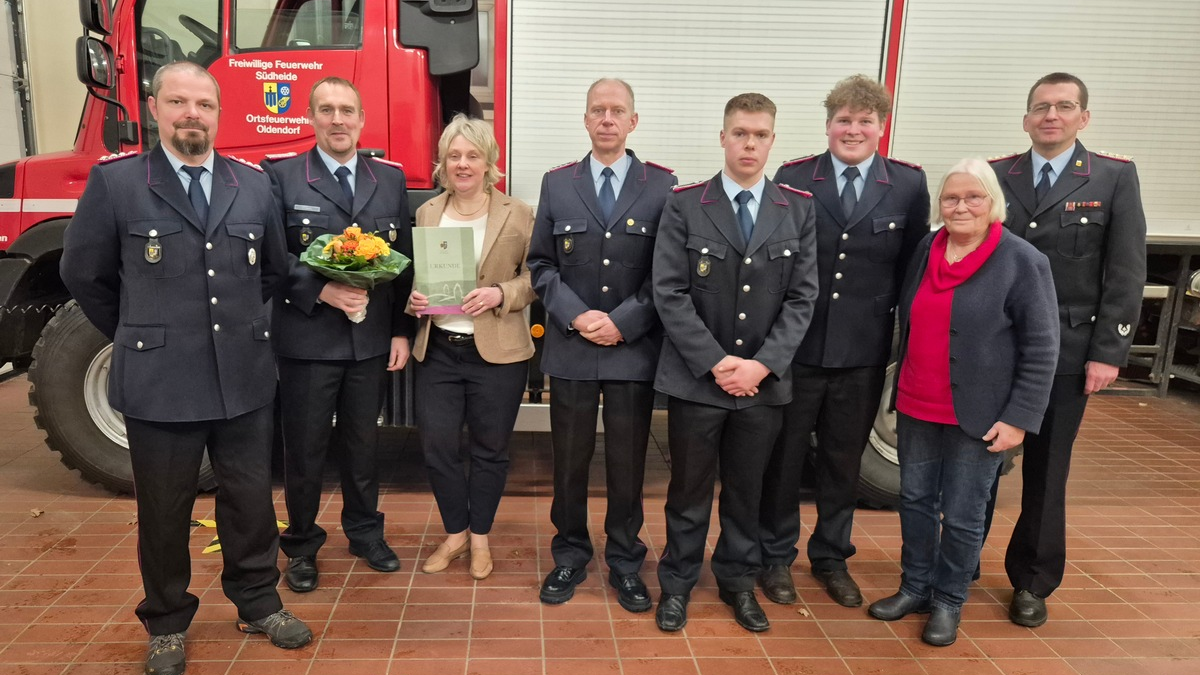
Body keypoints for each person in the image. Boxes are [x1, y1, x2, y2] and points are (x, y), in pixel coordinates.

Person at [60, 61, 312, 675]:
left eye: (204, 104)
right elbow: (84, 274)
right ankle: (167, 621)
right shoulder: (118, 183)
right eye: (178, 102)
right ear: (154, 109)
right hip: (161, 381)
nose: (191, 114)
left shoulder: (252, 184)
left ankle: (257, 601)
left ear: (219, 114)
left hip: (242, 376)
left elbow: (273, 270)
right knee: (165, 510)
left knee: (249, 502)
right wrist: (140, 333)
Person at [868, 158, 1059, 647]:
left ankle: (949, 600)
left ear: (993, 203)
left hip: (979, 415)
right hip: (917, 404)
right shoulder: (927, 249)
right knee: (915, 502)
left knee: (963, 514)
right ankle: (915, 588)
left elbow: (1042, 346)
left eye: (973, 197)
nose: (961, 207)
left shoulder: (1021, 261)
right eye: (951, 198)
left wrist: (1018, 418)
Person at [760, 74, 929, 607]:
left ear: (881, 127)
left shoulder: (906, 184)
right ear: (828, 124)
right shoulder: (794, 176)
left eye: (865, 121)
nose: (853, 129)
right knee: (784, 460)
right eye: (843, 120)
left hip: (863, 351)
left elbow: (912, 272)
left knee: (843, 462)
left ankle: (832, 557)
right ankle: (775, 556)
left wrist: (907, 348)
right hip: (798, 349)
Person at [652, 93, 819, 633]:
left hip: (762, 386)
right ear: (723, 137)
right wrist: (717, 362)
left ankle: (738, 582)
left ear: (773, 140)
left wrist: (761, 366)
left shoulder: (797, 209)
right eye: (741, 133)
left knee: (747, 493)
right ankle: (677, 584)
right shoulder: (685, 204)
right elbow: (669, 291)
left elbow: (802, 298)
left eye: (761, 134)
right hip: (697, 382)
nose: (750, 144)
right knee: (688, 492)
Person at [986, 72, 1147, 627]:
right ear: (1026, 118)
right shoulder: (996, 175)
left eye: (1064, 106)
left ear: (1084, 117)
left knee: (1048, 469)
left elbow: (1125, 271)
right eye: (1041, 107)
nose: (1051, 115)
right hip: (997, 347)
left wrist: (1109, 352)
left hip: (1069, 348)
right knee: (980, 463)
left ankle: (1033, 581)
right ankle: (958, 565)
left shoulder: (1113, 176)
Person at [527, 78, 677, 612]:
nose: (607, 119)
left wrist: (623, 322)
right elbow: (540, 264)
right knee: (569, 463)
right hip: (572, 348)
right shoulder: (557, 184)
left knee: (627, 464)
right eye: (598, 110)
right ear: (586, 119)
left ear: (633, 121)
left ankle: (626, 562)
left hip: (631, 351)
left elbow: (667, 272)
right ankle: (569, 554)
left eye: (617, 111)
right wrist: (575, 314)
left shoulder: (663, 185)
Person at [262, 76, 414, 593]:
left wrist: (400, 331)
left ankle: (366, 533)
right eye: (326, 110)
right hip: (307, 340)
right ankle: (302, 546)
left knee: (364, 444)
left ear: (362, 119)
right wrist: (321, 291)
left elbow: (403, 261)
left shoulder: (388, 179)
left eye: (347, 110)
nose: (337, 120)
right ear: (311, 118)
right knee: (304, 451)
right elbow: (270, 255)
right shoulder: (282, 177)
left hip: (369, 341)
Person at [408, 114, 536, 581]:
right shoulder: (428, 212)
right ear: (443, 162)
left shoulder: (517, 212)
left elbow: (537, 277)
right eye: (454, 155)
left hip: (497, 353)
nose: (462, 164)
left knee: (490, 451)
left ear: (488, 162)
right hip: (439, 350)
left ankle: (479, 536)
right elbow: (419, 276)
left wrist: (502, 293)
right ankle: (455, 533)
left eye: (472, 155)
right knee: (437, 448)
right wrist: (414, 300)